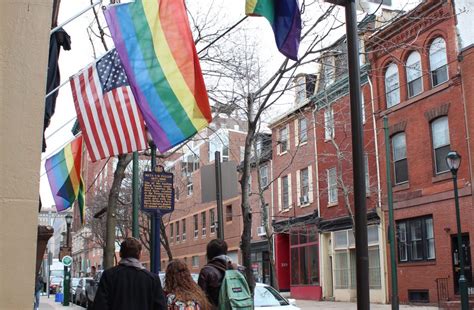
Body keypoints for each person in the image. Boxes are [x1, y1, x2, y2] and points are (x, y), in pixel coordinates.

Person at [93, 237, 166, 310]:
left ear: (121, 253)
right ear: (140, 254)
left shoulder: (109, 275)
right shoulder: (152, 279)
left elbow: (100, 305)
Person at [198, 239, 238, 308]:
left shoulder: (206, 271)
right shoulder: (238, 270)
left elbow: (201, 298)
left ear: (209, 253)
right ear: (225, 251)